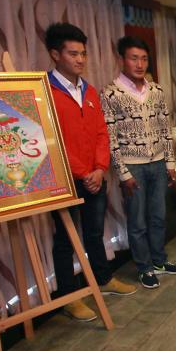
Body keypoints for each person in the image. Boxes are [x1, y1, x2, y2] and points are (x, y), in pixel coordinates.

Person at [46, 23, 136, 321]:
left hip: (94, 177)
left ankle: (103, 279)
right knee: (65, 240)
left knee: (96, 232)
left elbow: (101, 133)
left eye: (83, 53)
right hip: (65, 180)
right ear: (55, 54)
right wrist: (84, 171)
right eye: (73, 53)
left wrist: (99, 169)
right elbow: (51, 139)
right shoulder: (44, 91)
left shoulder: (89, 90)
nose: (80, 59)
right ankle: (70, 297)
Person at [102, 36, 176, 290]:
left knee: (158, 216)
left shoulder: (157, 91)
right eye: (133, 58)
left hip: (159, 163)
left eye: (144, 59)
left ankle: (159, 261)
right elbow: (110, 137)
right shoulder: (110, 93)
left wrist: (170, 162)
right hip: (132, 166)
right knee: (137, 221)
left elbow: (166, 129)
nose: (139, 64)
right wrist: (123, 172)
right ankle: (144, 267)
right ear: (121, 60)